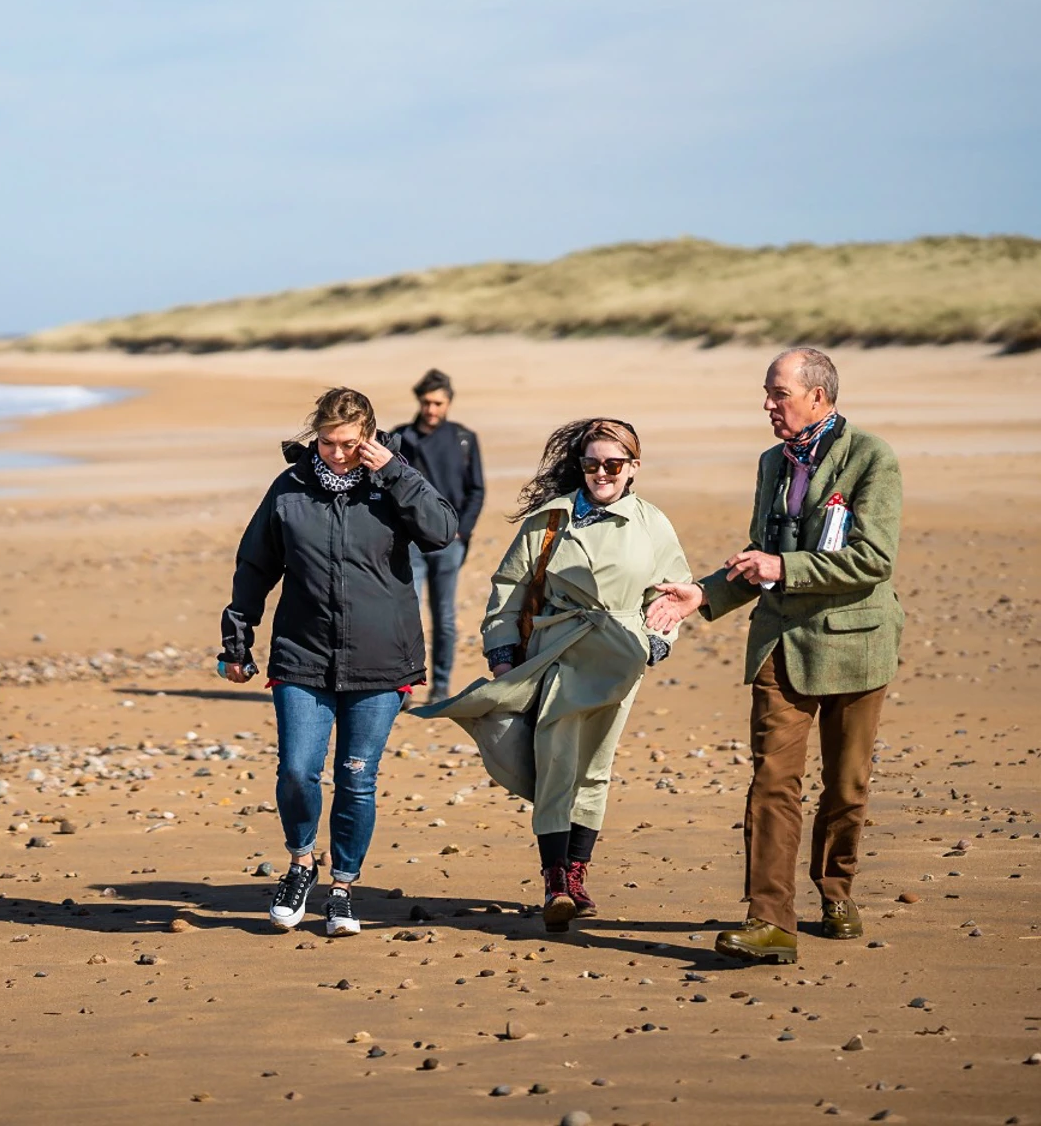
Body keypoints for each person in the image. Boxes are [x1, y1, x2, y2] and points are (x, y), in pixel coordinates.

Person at [647, 347, 903, 965]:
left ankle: (835, 890)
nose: (767, 405)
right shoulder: (773, 462)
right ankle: (770, 921)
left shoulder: (872, 458)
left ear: (818, 396)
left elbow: (873, 559)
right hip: (780, 646)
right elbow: (760, 555)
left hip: (856, 645)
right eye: (766, 393)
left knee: (846, 787)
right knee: (771, 786)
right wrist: (701, 595)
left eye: (777, 393)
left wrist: (782, 565)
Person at [413, 418, 690, 931]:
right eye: (591, 464)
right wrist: (501, 653)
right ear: (579, 467)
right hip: (556, 652)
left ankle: (578, 874)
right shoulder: (549, 520)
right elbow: (509, 587)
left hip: (620, 654)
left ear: (633, 468)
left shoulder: (652, 522)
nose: (601, 473)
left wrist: (657, 642)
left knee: (595, 767)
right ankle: (556, 880)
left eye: (613, 464)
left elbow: (672, 592)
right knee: (555, 761)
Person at [218, 387, 458, 936]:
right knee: (298, 771)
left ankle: (344, 887)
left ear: (369, 437)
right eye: (327, 442)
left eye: (350, 444)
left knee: (356, 779)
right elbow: (255, 565)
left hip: (381, 660)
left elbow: (442, 533)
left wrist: (395, 472)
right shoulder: (291, 487)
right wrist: (237, 640)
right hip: (303, 654)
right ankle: (301, 864)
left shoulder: (392, 481)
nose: (337, 453)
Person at [390, 368, 486, 701]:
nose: (432, 409)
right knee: (406, 614)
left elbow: (476, 490)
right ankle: (403, 687)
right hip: (409, 542)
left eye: (438, 403)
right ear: (419, 401)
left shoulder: (464, 438)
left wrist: (462, 531)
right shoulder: (400, 438)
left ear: (448, 403)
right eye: (427, 402)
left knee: (444, 616)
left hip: (449, 543)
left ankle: (441, 685)